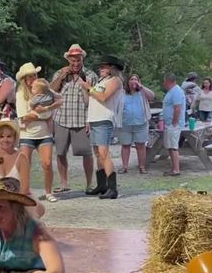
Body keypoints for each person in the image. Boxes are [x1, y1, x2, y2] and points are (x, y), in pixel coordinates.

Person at [51, 44, 98, 194]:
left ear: (82, 59)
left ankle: (89, 184)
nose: (76, 63)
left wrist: (91, 120)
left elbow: (96, 99)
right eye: (73, 60)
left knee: (86, 153)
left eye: (78, 60)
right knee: (60, 152)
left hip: (81, 119)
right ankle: (64, 184)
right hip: (61, 118)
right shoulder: (60, 73)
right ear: (68, 60)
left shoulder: (91, 75)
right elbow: (50, 91)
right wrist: (61, 77)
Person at [15, 63, 63, 203]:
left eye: (34, 75)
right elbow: (24, 117)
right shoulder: (21, 94)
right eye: (30, 76)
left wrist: (46, 109)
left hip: (44, 133)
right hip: (27, 134)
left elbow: (60, 100)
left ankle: (48, 192)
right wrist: (45, 116)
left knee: (47, 164)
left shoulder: (44, 89)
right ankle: (25, 191)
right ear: (24, 79)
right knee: (25, 165)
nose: (33, 78)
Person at [84, 56, 125, 199]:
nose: (100, 69)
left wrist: (89, 88)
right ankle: (102, 185)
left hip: (104, 119)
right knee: (97, 153)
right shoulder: (101, 81)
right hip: (94, 119)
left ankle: (112, 188)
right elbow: (91, 100)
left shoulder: (115, 80)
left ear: (112, 68)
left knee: (104, 153)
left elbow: (103, 97)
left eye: (103, 66)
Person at [119, 73, 154, 174]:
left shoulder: (142, 92)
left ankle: (142, 166)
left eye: (136, 79)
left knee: (141, 145)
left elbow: (152, 96)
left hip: (141, 124)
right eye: (131, 79)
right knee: (125, 145)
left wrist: (141, 87)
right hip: (125, 124)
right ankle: (125, 167)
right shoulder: (122, 93)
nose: (134, 81)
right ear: (128, 82)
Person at [160, 74, 186, 177]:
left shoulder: (176, 91)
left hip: (174, 124)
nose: (163, 83)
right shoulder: (171, 91)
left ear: (168, 81)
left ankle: (176, 170)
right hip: (169, 123)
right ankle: (174, 168)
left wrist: (174, 122)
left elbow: (177, 108)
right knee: (170, 146)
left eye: (164, 81)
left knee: (173, 146)